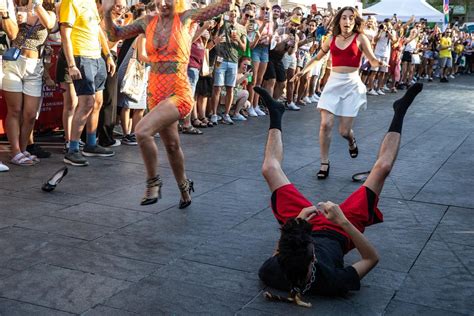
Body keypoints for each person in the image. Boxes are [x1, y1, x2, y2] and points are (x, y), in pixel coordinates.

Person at [253, 82, 423, 306]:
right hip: (340, 231)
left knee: (269, 169)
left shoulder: (270, 271)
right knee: (382, 169)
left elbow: (279, 252)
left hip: (300, 230)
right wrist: (342, 221)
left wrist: (295, 224)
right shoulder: (332, 281)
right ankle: (400, 111)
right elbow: (372, 258)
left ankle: (275, 113)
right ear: (313, 259)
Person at [103, 0, 234, 207]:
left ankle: (153, 183)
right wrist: (108, 10)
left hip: (178, 92)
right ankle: (185, 190)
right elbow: (114, 35)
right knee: (172, 145)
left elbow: (224, 6)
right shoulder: (146, 22)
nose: (163, 3)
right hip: (155, 94)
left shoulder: (187, 17)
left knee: (142, 131)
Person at [294, 7, 389, 180]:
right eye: (344, 18)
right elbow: (317, 57)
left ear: (355, 21)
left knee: (344, 131)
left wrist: (379, 62)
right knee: (325, 124)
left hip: (352, 84)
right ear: (339, 20)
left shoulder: (361, 38)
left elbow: (371, 58)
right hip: (333, 82)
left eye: (351, 18)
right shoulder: (331, 38)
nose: (347, 21)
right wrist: (303, 71)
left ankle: (351, 140)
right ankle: (324, 162)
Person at [60, 0, 116, 166]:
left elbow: (98, 30)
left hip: (96, 57)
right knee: (86, 103)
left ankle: (91, 144)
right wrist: (71, 64)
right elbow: (65, 34)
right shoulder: (70, 2)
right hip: (81, 57)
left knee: (97, 103)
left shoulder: (90, 2)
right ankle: (73, 150)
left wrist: (107, 55)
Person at [2, 0, 56, 166]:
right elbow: (11, 33)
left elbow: (49, 24)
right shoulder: (16, 9)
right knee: (15, 110)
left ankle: (24, 148)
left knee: (31, 114)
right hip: (14, 63)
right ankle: (16, 151)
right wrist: (15, 18)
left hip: (35, 67)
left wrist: (36, 6)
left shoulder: (50, 12)